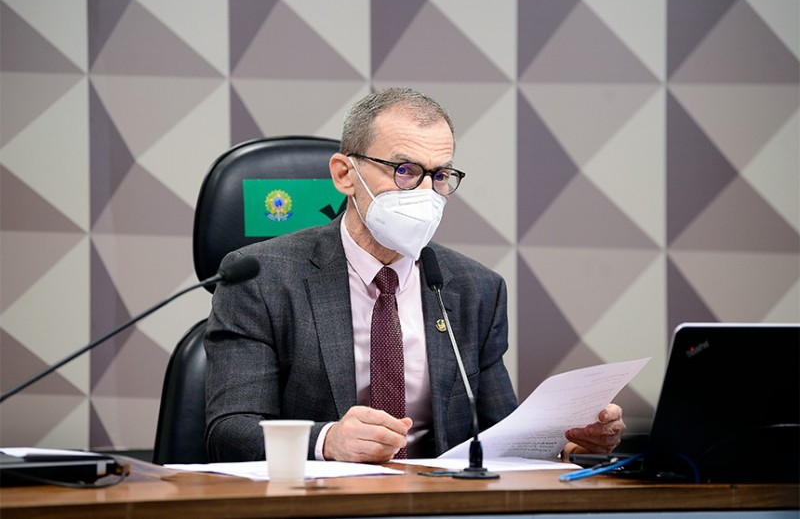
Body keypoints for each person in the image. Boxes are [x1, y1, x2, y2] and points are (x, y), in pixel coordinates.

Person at [204, 87, 626, 463]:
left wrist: (569, 446)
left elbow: (498, 434)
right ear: (345, 174)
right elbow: (230, 431)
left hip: (438, 507)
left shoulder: (475, 289)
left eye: (439, 175)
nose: (425, 193)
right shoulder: (262, 281)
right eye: (405, 170)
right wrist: (327, 440)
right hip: (319, 505)